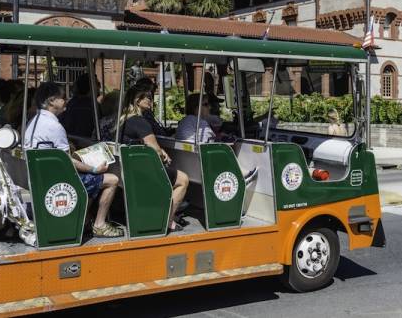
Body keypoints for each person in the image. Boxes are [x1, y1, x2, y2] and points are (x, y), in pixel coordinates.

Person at [24, 82, 122, 238]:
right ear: (51, 101)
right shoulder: (54, 126)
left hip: (44, 176)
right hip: (59, 180)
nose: (67, 100)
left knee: (92, 180)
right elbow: (68, 162)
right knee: (112, 179)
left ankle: (84, 220)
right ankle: (100, 224)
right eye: (63, 97)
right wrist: (95, 169)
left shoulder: (34, 121)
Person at [117, 86, 189, 233]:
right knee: (183, 179)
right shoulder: (140, 122)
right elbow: (154, 148)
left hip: (128, 168)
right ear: (138, 101)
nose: (151, 100)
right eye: (148, 98)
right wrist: (163, 154)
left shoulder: (124, 120)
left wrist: (161, 151)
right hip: (142, 171)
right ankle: (168, 221)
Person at [176, 93, 257, 184]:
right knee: (224, 150)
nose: (209, 108)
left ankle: (241, 173)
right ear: (196, 108)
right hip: (199, 164)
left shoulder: (186, 120)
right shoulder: (199, 121)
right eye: (206, 105)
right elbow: (211, 144)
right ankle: (242, 175)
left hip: (187, 164)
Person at [60, 73, 97, 138]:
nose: (99, 87)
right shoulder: (92, 106)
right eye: (98, 84)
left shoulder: (71, 103)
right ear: (91, 87)